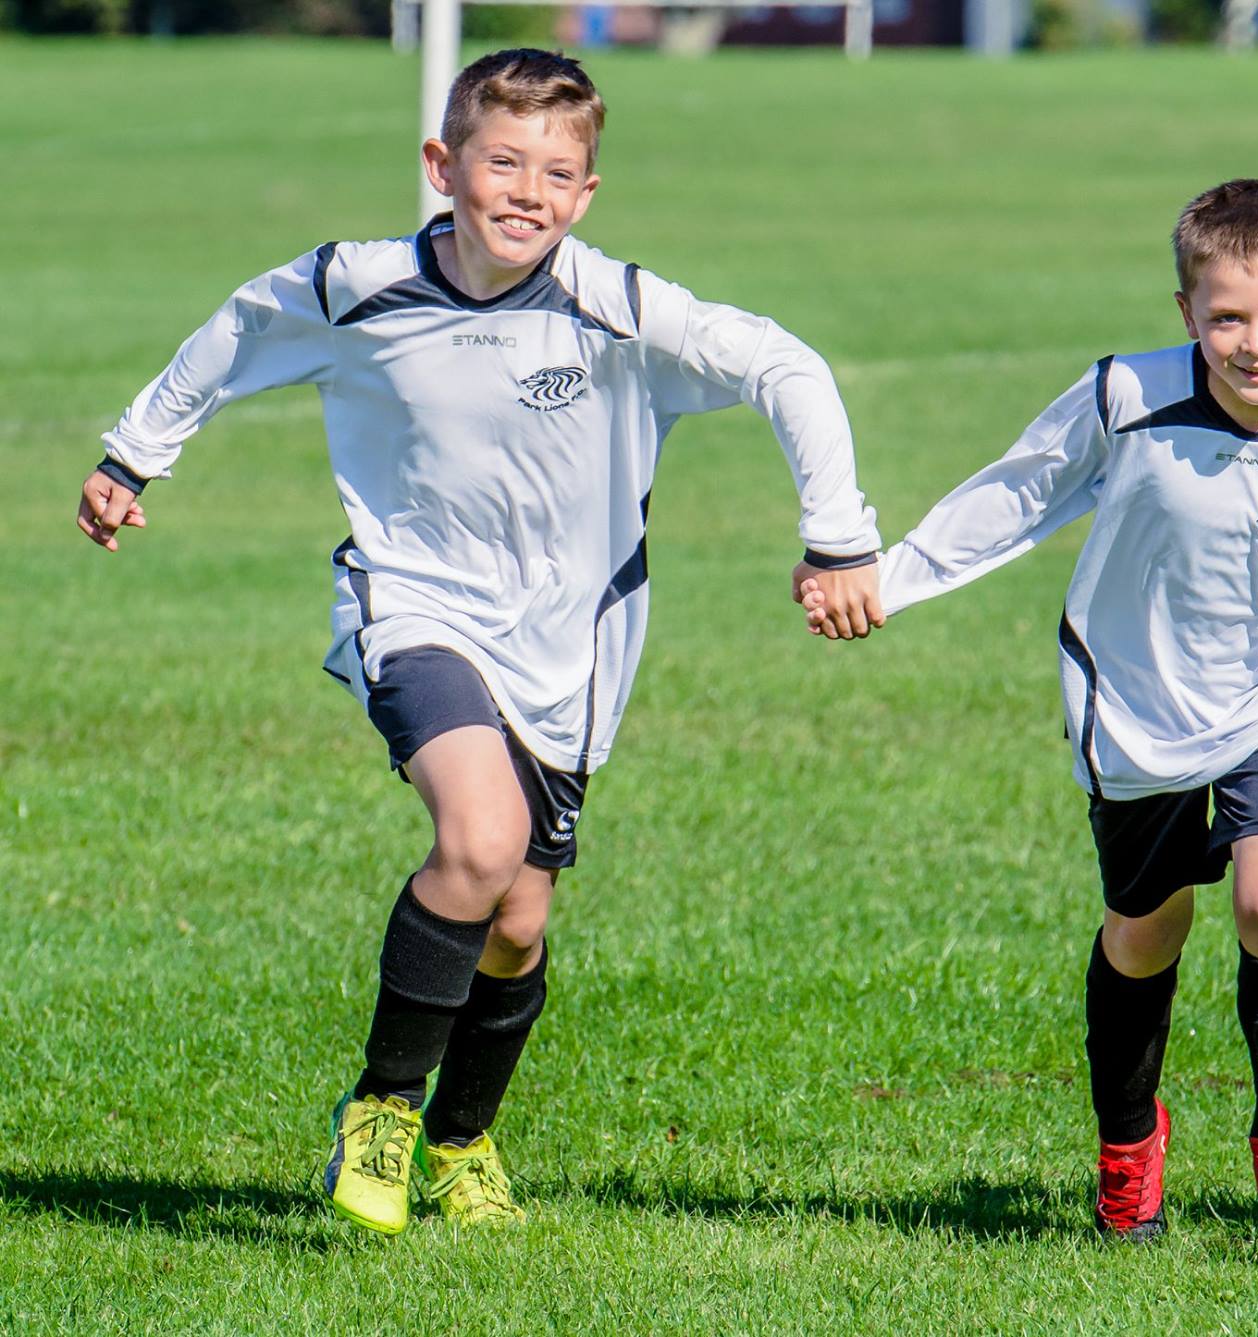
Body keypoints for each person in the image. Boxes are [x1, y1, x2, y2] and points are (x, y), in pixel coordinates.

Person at [77, 47, 885, 1235]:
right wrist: (131, 454)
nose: (526, 190)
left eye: (557, 172)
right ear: (440, 164)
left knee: (516, 917)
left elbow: (786, 366)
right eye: (500, 161)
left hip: (574, 648)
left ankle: (460, 1141)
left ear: (588, 193)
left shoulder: (616, 307)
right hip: (412, 606)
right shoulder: (355, 284)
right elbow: (233, 335)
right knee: (480, 833)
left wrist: (837, 534)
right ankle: (383, 1109)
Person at [806, 179, 1258, 1258]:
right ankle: (1127, 1143)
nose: (1254, 343)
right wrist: (882, 581)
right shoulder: (1121, 398)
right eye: (1226, 316)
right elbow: (1012, 496)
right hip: (1133, 706)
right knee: (1147, 930)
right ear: (1185, 311)